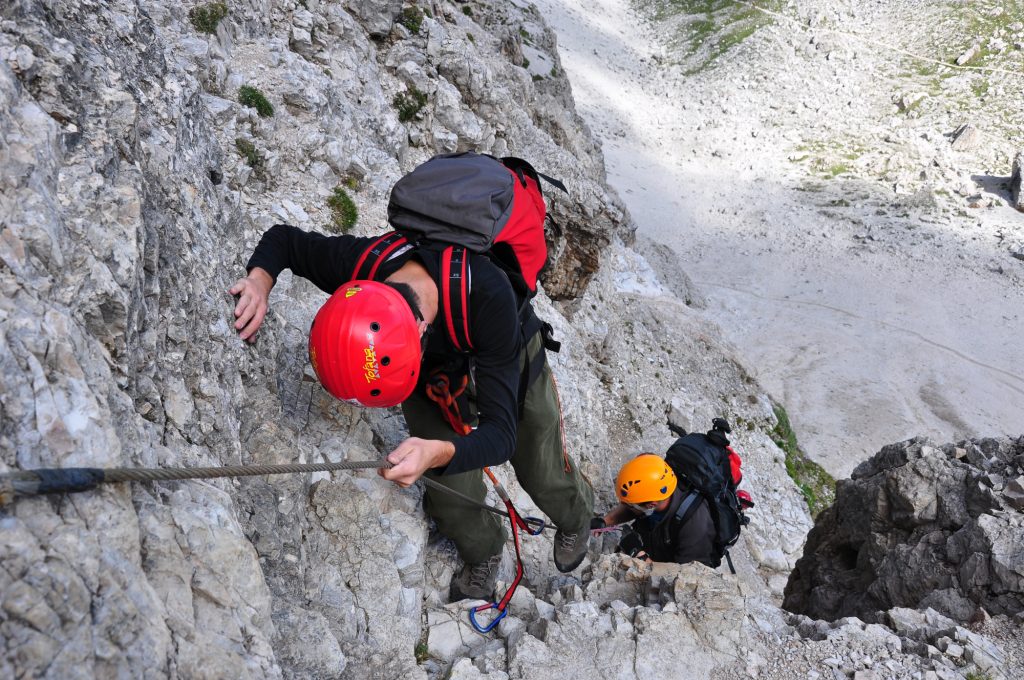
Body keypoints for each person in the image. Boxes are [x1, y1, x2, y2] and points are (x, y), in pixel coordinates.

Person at [230, 222, 594, 601]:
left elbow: (502, 437)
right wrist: (259, 283)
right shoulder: (361, 266)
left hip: (508, 359)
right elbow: (285, 241)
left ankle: (576, 516)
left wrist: (437, 451)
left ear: (419, 331)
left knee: (540, 465)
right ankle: (483, 550)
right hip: (432, 375)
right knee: (451, 494)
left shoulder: (488, 294)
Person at [597, 453, 717, 566]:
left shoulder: (694, 525)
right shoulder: (654, 486)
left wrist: (639, 555)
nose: (623, 506)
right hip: (654, 546)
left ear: (651, 505)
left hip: (671, 565)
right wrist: (604, 521)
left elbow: (686, 576)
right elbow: (633, 508)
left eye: (630, 505)